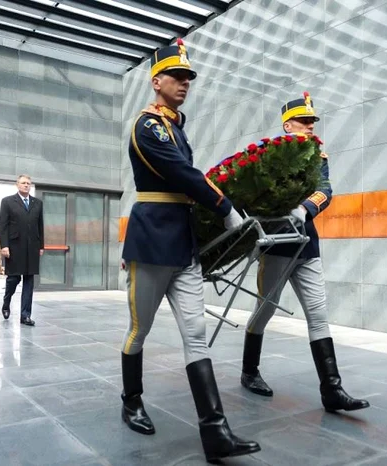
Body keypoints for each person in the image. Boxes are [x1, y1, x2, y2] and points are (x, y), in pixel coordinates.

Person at [118, 39, 259, 463]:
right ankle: (131, 401)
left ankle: (215, 433)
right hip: (153, 242)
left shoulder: (176, 125)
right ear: (155, 80)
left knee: (196, 335)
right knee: (139, 330)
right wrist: (226, 208)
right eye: (177, 76)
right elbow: (181, 173)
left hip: (183, 243)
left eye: (188, 78)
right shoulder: (148, 126)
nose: (185, 83)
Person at [239, 92, 370, 413]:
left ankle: (332, 389)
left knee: (317, 313)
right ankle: (249, 371)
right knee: (265, 309)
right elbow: (251, 192)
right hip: (278, 243)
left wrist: (305, 208)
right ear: (288, 125)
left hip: (306, 243)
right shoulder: (268, 155)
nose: (311, 126)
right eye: (304, 120)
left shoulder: (318, 156)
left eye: (313, 121)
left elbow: (325, 190)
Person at [0, 175, 44, 326]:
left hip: (32, 248)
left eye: (28, 184)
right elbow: (2, 226)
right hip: (14, 247)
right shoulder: (7, 202)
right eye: (23, 183)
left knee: (29, 281)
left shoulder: (37, 203)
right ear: (17, 185)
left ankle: (25, 315)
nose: (26, 185)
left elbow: (40, 226)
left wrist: (41, 246)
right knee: (14, 279)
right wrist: (4, 245)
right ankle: (6, 302)